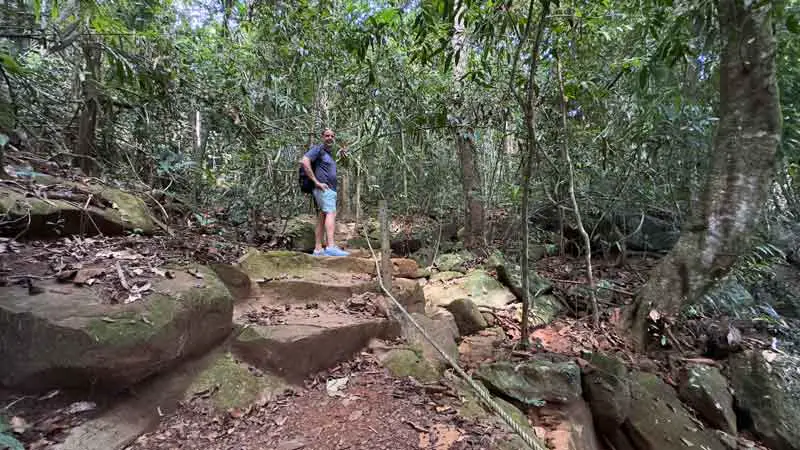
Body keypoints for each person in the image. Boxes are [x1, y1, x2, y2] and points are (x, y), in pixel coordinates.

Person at [300, 128, 350, 257]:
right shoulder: (318, 150)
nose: (330, 138)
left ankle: (318, 249)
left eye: (332, 136)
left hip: (326, 190)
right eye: (327, 135)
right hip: (324, 189)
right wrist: (316, 182)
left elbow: (344, 165)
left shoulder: (328, 154)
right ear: (322, 137)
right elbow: (305, 161)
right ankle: (331, 246)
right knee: (331, 213)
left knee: (322, 216)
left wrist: (343, 155)